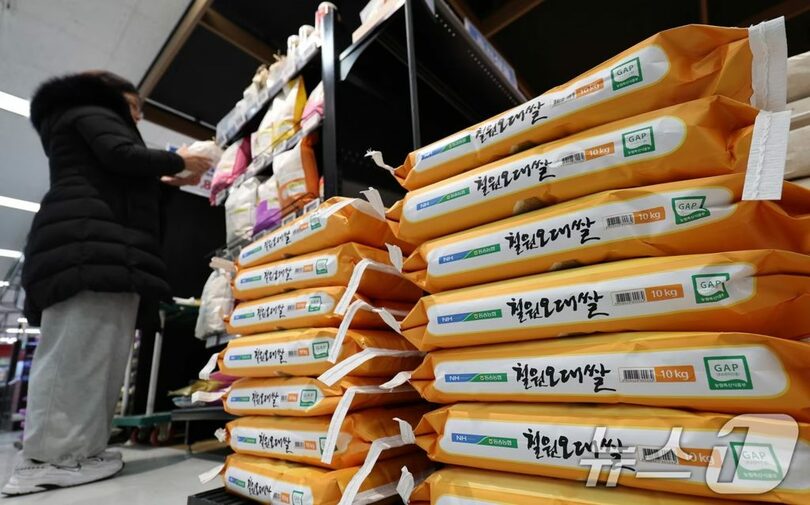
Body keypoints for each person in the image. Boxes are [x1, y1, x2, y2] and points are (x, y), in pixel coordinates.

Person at [2, 71, 212, 495]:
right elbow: (121, 155)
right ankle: (48, 459)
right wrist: (179, 161)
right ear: (111, 96)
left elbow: (115, 175)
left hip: (102, 250)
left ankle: (80, 452)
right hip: (89, 250)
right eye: (133, 107)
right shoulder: (89, 108)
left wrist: (163, 180)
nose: (137, 117)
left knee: (97, 359)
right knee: (77, 355)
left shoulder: (79, 119)